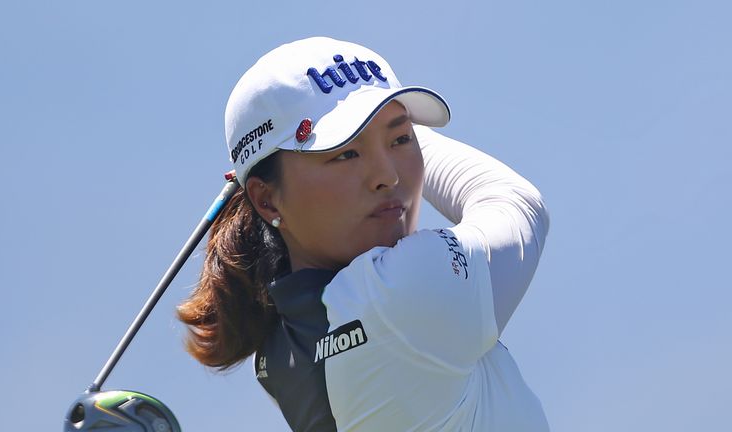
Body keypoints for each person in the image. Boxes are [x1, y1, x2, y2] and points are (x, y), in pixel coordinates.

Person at [177, 37, 550, 431]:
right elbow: (517, 202)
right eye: (345, 154)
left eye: (401, 140)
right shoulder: (410, 285)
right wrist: (395, 126)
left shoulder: (277, 352)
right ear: (266, 201)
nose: (388, 176)